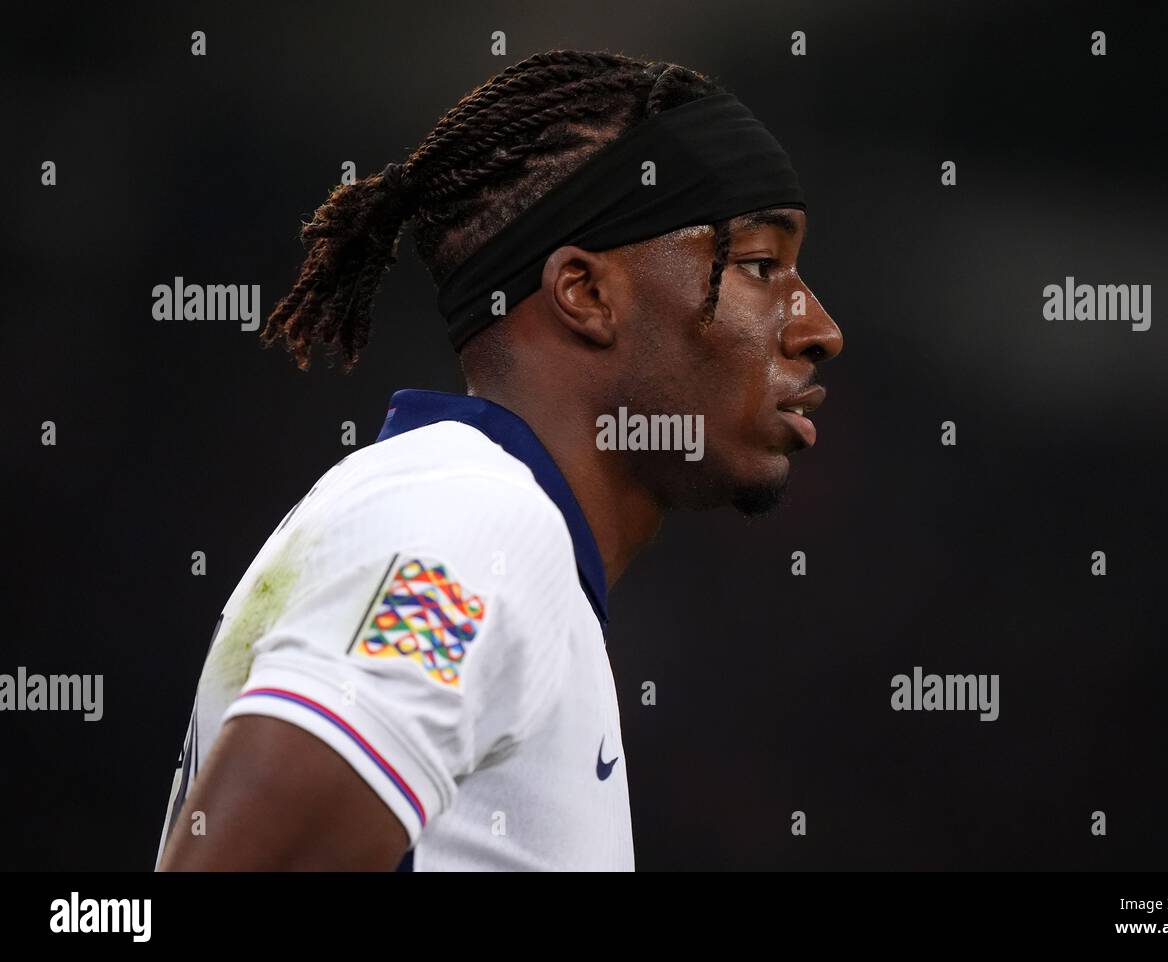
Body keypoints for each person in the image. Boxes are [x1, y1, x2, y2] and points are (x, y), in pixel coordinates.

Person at [156, 49, 843, 872]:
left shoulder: (482, 528)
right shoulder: (472, 522)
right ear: (586, 294)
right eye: (761, 267)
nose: (819, 329)